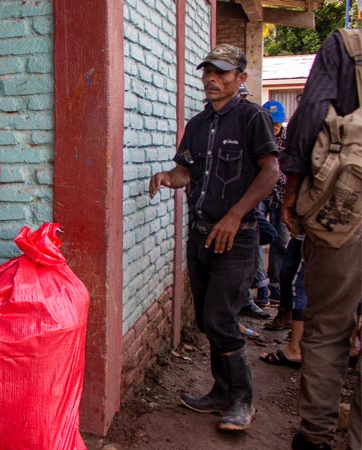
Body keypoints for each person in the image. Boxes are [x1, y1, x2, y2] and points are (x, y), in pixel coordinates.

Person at [149, 43, 279, 432]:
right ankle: (221, 392)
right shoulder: (199, 125)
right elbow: (187, 172)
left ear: (240, 78)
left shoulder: (252, 118)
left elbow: (270, 172)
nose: (211, 79)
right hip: (201, 234)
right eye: (208, 71)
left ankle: (242, 400)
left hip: (235, 239)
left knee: (221, 318)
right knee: (210, 321)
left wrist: (236, 217)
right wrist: (168, 177)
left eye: (222, 73)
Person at [281, 29, 362, 450]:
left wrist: (292, 193)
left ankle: (315, 437)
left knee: (329, 327)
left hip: (344, 212)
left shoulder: (348, 46)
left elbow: (310, 115)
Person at [261, 100, 290, 302]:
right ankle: (260, 286)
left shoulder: (290, 139)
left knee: (281, 241)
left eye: (277, 123)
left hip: (283, 195)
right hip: (261, 194)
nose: (275, 127)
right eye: (271, 123)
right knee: (256, 237)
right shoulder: (257, 137)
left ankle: (275, 284)